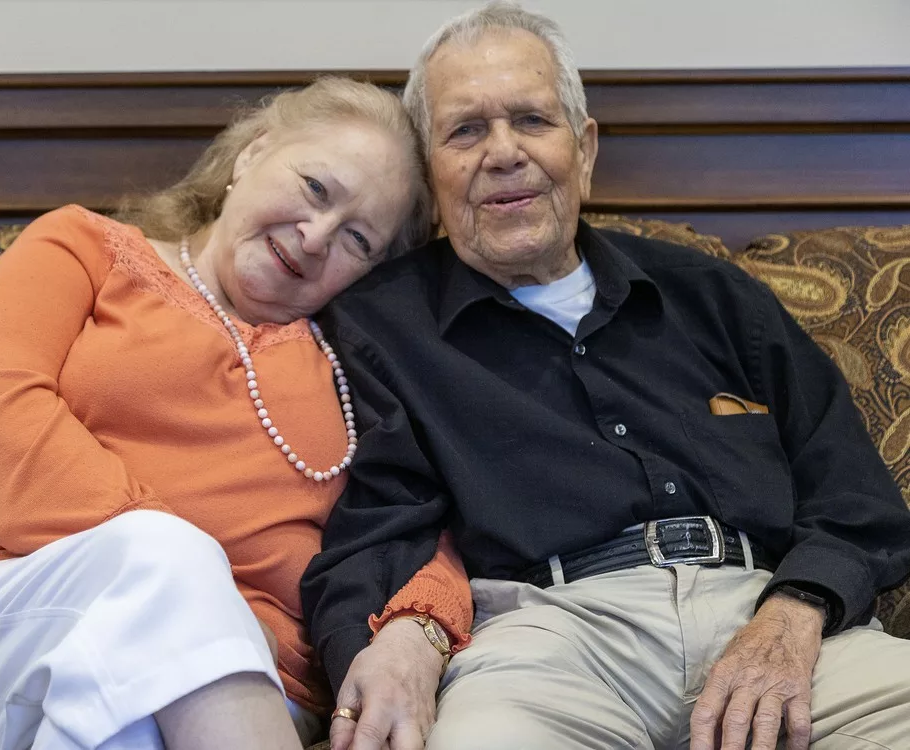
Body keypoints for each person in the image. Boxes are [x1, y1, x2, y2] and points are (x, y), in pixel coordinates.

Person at [300, 4, 910, 750]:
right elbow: (375, 525)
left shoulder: (715, 297)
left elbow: (855, 500)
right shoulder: (380, 328)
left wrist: (795, 614)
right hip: (549, 640)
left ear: (583, 149)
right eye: (465, 130)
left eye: (531, 120)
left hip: (774, 618)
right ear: (432, 174)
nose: (503, 153)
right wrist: (386, 646)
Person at [0, 76, 473, 750]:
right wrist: (201, 594)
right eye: (316, 189)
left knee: (121, 727)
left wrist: (422, 626)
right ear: (250, 155)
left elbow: (418, 520)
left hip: (245, 690)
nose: (318, 235)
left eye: (358, 239)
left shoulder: (360, 370)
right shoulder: (85, 249)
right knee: (166, 566)